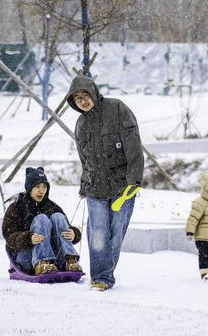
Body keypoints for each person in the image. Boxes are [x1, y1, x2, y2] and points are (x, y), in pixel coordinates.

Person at [67, 74, 144, 291]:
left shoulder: (117, 109)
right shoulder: (80, 124)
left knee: (116, 233)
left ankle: (104, 273)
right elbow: (85, 159)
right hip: (95, 189)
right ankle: (101, 278)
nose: (82, 101)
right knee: (98, 234)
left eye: (85, 95)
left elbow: (133, 146)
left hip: (123, 187)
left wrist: (134, 181)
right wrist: (84, 184)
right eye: (76, 98)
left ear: (93, 92)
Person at [2, 167, 83, 275]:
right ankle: (41, 263)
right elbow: (9, 237)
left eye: (44, 187)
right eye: (37, 187)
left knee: (58, 217)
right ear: (29, 188)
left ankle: (70, 261)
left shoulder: (52, 207)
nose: (41, 191)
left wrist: (74, 234)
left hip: (54, 259)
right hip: (27, 257)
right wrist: (28, 238)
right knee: (41, 218)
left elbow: (66, 228)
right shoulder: (17, 207)